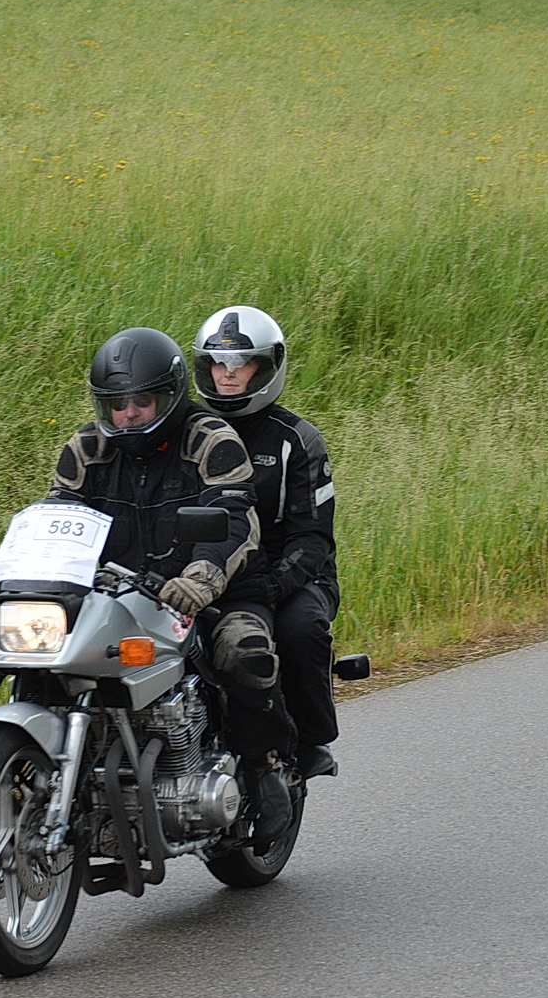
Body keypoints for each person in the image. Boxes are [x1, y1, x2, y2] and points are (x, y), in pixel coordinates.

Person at [43, 326, 296, 840]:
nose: (129, 413)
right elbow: (57, 518)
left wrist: (200, 579)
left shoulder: (210, 439)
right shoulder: (85, 449)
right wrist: (8, 573)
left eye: (142, 399)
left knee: (242, 649)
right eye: (117, 403)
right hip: (116, 593)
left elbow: (234, 516)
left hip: (210, 590)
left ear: (170, 395)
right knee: (53, 660)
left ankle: (262, 765)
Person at [189, 305, 341, 779]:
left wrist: (271, 586)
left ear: (266, 367)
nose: (227, 375)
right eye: (217, 364)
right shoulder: (187, 432)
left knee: (299, 632)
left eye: (241, 364)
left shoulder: (297, 440)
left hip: (293, 575)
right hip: (210, 570)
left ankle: (308, 740)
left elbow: (312, 536)